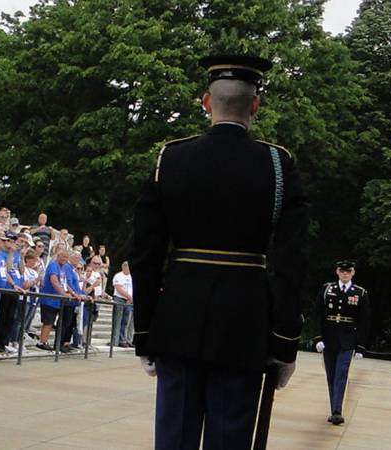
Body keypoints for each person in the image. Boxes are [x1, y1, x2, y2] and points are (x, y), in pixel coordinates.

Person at [129, 54, 308, 448]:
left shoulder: (170, 158)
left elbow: (144, 254)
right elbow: (291, 261)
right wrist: (284, 341)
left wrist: (145, 332)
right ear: (255, 106)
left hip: (177, 319)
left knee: (174, 438)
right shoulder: (278, 164)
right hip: (244, 326)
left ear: (207, 102)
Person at [312, 260, 368, 425]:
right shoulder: (327, 289)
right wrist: (317, 338)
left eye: (348, 271)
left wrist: (360, 347)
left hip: (348, 340)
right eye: (342, 271)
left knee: (341, 373)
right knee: (331, 375)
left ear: (353, 273)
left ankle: (337, 411)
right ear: (337, 271)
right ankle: (333, 408)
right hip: (329, 338)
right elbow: (317, 314)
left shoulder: (360, 293)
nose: (345, 274)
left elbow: (365, 321)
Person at [110, 261, 132, 348]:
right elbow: (119, 288)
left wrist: (131, 298)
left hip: (129, 301)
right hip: (119, 299)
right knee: (117, 320)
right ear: (124, 267)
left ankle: (123, 339)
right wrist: (128, 296)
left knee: (125, 321)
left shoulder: (131, 276)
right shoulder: (118, 276)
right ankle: (115, 340)